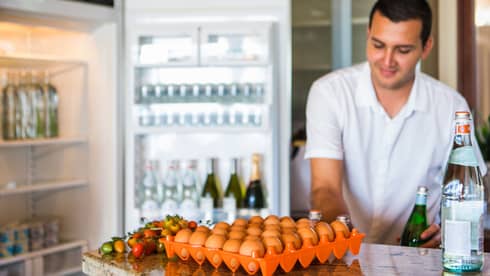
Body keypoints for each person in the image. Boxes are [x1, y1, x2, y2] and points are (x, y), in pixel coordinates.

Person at [304, 0, 487, 247]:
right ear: (368, 35)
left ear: (426, 47)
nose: (387, 61)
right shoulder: (330, 93)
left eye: (402, 50)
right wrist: (343, 241)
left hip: (421, 259)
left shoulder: (451, 107)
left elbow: (469, 192)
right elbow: (324, 188)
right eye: (378, 45)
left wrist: (447, 230)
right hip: (347, 255)